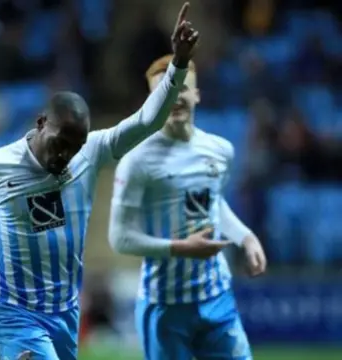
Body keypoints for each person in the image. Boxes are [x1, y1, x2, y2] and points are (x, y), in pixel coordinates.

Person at [0, 3, 199, 359]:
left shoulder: (90, 152)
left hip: (65, 314)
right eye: (61, 144)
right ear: (42, 122)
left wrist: (178, 66)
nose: (66, 156)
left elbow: (146, 122)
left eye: (74, 148)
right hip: (12, 312)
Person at [108, 53, 267, 360]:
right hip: (164, 305)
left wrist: (246, 237)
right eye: (164, 92)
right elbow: (119, 237)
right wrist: (181, 247)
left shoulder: (220, 150)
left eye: (182, 89)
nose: (175, 98)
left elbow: (212, 202)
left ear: (197, 94)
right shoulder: (137, 159)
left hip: (216, 296)